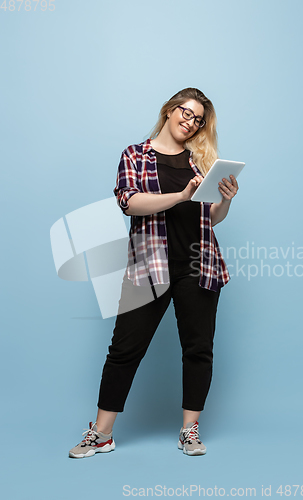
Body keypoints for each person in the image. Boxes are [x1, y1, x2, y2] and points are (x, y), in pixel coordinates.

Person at [69, 87, 239, 458]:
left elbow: (207, 220)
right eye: (186, 112)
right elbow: (130, 203)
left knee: (198, 350)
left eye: (198, 119)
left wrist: (224, 199)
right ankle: (102, 434)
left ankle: (189, 431)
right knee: (124, 350)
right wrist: (180, 196)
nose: (190, 122)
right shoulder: (135, 154)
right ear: (169, 110)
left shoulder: (199, 161)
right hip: (148, 266)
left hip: (197, 264)